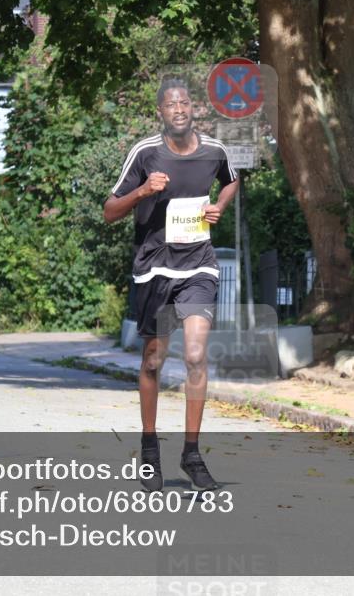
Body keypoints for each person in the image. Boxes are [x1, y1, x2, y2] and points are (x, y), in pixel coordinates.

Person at [103, 77, 239, 492]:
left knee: (196, 355)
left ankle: (192, 453)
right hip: (156, 269)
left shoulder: (215, 150)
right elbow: (110, 211)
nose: (178, 109)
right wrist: (144, 190)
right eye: (170, 104)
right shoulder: (145, 153)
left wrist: (219, 205)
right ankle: (149, 450)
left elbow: (232, 178)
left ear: (193, 107)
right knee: (152, 361)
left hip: (198, 265)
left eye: (184, 103)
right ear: (160, 112)